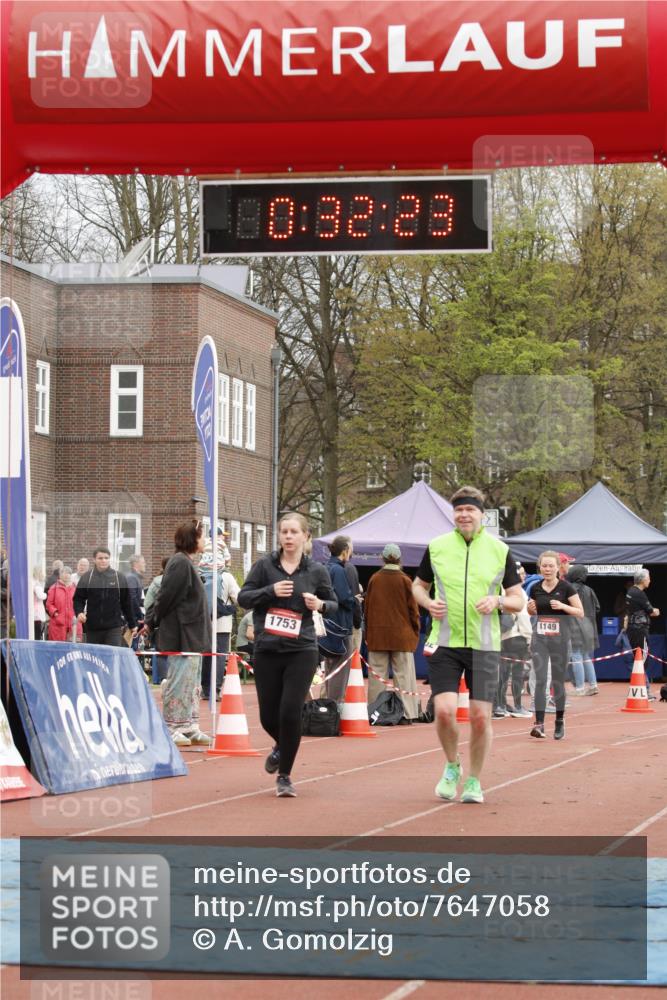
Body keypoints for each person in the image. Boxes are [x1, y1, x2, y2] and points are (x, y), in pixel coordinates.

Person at [412, 486, 525, 804]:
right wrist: (427, 602)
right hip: (445, 641)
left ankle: (474, 780)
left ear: (481, 515)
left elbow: (519, 599)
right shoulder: (436, 548)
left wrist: (498, 599)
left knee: (479, 717)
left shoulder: (499, 550)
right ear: (454, 514)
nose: (464, 515)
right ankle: (452, 766)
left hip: (484, 644)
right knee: (445, 712)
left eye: (470, 510)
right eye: (459, 510)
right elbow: (417, 587)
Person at [238, 512, 337, 798]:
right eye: (284, 532)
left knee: (290, 710)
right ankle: (282, 746)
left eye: (294, 532)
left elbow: (334, 603)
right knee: (269, 716)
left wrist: (319, 604)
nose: (289, 537)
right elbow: (244, 598)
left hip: (301, 649)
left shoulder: (316, 571)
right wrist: (269, 591)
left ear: (306, 537)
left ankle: (285, 776)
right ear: (279, 536)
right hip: (268, 648)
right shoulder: (264, 567)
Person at [146, 520, 212, 748]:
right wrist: (152, 620)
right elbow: (166, 597)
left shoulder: (187, 563)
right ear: (192, 538)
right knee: (179, 679)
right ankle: (172, 726)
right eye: (203, 536)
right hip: (181, 633)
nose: (206, 541)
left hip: (192, 633)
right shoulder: (180, 563)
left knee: (192, 682)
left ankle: (189, 725)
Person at [527, 551, 584, 740]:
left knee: (558, 681)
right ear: (540, 567)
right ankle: (539, 723)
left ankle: (559, 721)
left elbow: (580, 612)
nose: (548, 569)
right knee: (541, 680)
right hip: (541, 639)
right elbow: (531, 611)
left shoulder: (566, 588)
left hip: (560, 640)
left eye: (551, 566)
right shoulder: (535, 587)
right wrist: (529, 609)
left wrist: (563, 607)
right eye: (544, 566)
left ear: (558, 567)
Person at [365, 543, 421, 722]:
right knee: (404, 676)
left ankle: (375, 711)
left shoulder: (375, 579)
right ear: (399, 559)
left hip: (378, 635)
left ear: (382, 558)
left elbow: (368, 608)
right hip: (402, 636)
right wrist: (415, 632)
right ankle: (408, 712)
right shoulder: (405, 580)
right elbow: (414, 610)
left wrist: (368, 633)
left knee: (377, 678)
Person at [199, 543, 240, 700]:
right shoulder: (226, 576)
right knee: (219, 656)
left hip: (203, 623)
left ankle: (205, 689)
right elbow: (238, 597)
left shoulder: (199, 573)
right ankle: (215, 690)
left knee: (207, 656)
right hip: (222, 624)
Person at [73, 548, 136, 646]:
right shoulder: (87, 577)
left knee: (111, 658)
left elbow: (126, 602)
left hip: (113, 628)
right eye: (100, 558)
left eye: (106, 558)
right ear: (94, 559)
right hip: (92, 628)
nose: (103, 560)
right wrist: (79, 612)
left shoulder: (119, 577)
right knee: (94, 659)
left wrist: (132, 624)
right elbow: (78, 599)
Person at [321, 536, 356, 706]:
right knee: (340, 669)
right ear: (345, 551)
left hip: (327, 624)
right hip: (340, 626)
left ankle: (329, 704)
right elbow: (344, 597)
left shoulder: (325, 568)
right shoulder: (339, 570)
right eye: (351, 549)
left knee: (330, 665)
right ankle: (334, 706)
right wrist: (355, 599)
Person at [493, 595, 533, 718]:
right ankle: (518, 706)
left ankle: (500, 705)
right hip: (517, 638)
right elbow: (524, 618)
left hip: (502, 638)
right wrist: (529, 639)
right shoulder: (518, 594)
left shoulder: (499, 593)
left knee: (503, 674)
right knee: (517, 673)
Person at [625, 568, 660, 698]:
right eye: (648, 578)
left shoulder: (630, 591)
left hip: (633, 629)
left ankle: (643, 689)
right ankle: (644, 690)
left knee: (638, 658)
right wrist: (655, 610)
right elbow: (651, 611)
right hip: (640, 630)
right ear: (643, 579)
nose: (650, 580)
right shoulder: (639, 593)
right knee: (642, 659)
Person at [567, 564, 600, 695]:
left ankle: (580, 688)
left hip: (574, 627)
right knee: (586, 656)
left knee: (576, 656)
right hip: (589, 627)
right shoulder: (590, 590)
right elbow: (597, 608)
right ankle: (593, 685)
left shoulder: (569, 589)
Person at [46, 566, 81, 642]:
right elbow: (49, 604)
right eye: (64, 573)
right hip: (58, 624)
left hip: (73, 623)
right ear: (60, 575)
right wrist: (55, 613)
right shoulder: (53, 588)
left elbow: (80, 602)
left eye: (68, 573)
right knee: (57, 647)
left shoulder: (76, 588)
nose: (66, 575)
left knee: (74, 648)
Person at [343, 546, 364, 653]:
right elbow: (355, 600)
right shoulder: (350, 569)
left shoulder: (327, 567)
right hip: (349, 625)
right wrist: (357, 622)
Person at [126, 554, 146, 635]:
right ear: (135, 564)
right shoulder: (132, 578)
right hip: (134, 620)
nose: (145, 564)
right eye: (143, 562)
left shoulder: (136, 577)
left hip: (137, 619)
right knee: (132, 646)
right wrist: (140, 616)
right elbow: (132, 599)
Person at [33, 566, 48, 640]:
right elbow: (41, 596)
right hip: (37, 613)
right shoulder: (36, 584)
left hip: (35, 612)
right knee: (37, 634)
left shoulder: (32, 582)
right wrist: (46, 594)